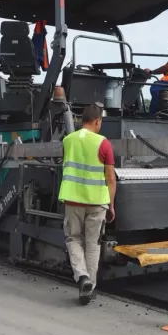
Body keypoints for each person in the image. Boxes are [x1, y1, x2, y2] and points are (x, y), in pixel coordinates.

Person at [58, 104, 117, 304]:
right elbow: (110, 178)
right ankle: (88, 289)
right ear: (98, 121)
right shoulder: (104, 143)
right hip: (97, 200)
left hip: (73, 199)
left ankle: (82, 277)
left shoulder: (67, 141)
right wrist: (111, 205)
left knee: (73, 238)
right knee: (93, 244)